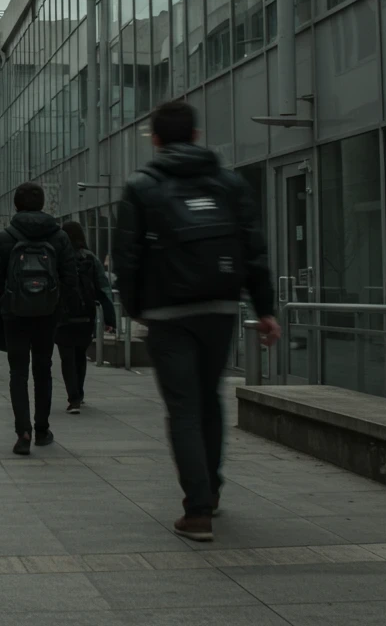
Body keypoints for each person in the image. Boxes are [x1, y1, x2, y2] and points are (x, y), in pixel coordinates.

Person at [114, 100, 280, 543]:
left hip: (167, 312)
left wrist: (134, 308)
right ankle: (213, 489)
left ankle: (198, 510)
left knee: (183, 409)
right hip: (220, 306)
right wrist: (264, 309)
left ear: (155, 138)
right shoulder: (228, 183)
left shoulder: (142, 187)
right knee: (211, 400)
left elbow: (127, 257)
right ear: (195, 135)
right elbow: (253, 249)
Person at [0, 182, 81, 455]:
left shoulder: (6, 237)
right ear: (43, 205)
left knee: (18, 372)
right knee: (43, 370)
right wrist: (64, 306)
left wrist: (3, 301)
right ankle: (42, 429)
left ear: (16, 205)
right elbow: (70, 277)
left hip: (15, 314)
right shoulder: (59, 237)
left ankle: (23, 432)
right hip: (48, 312)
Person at [55, 221, 116, 415]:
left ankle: (73, 398)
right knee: (80, 355)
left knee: (67, 358)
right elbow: (104, 288)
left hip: (62, 316)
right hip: (85, 316)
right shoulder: (90, 258)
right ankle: (79, 394)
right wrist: (110, 318)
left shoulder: (57, 258)